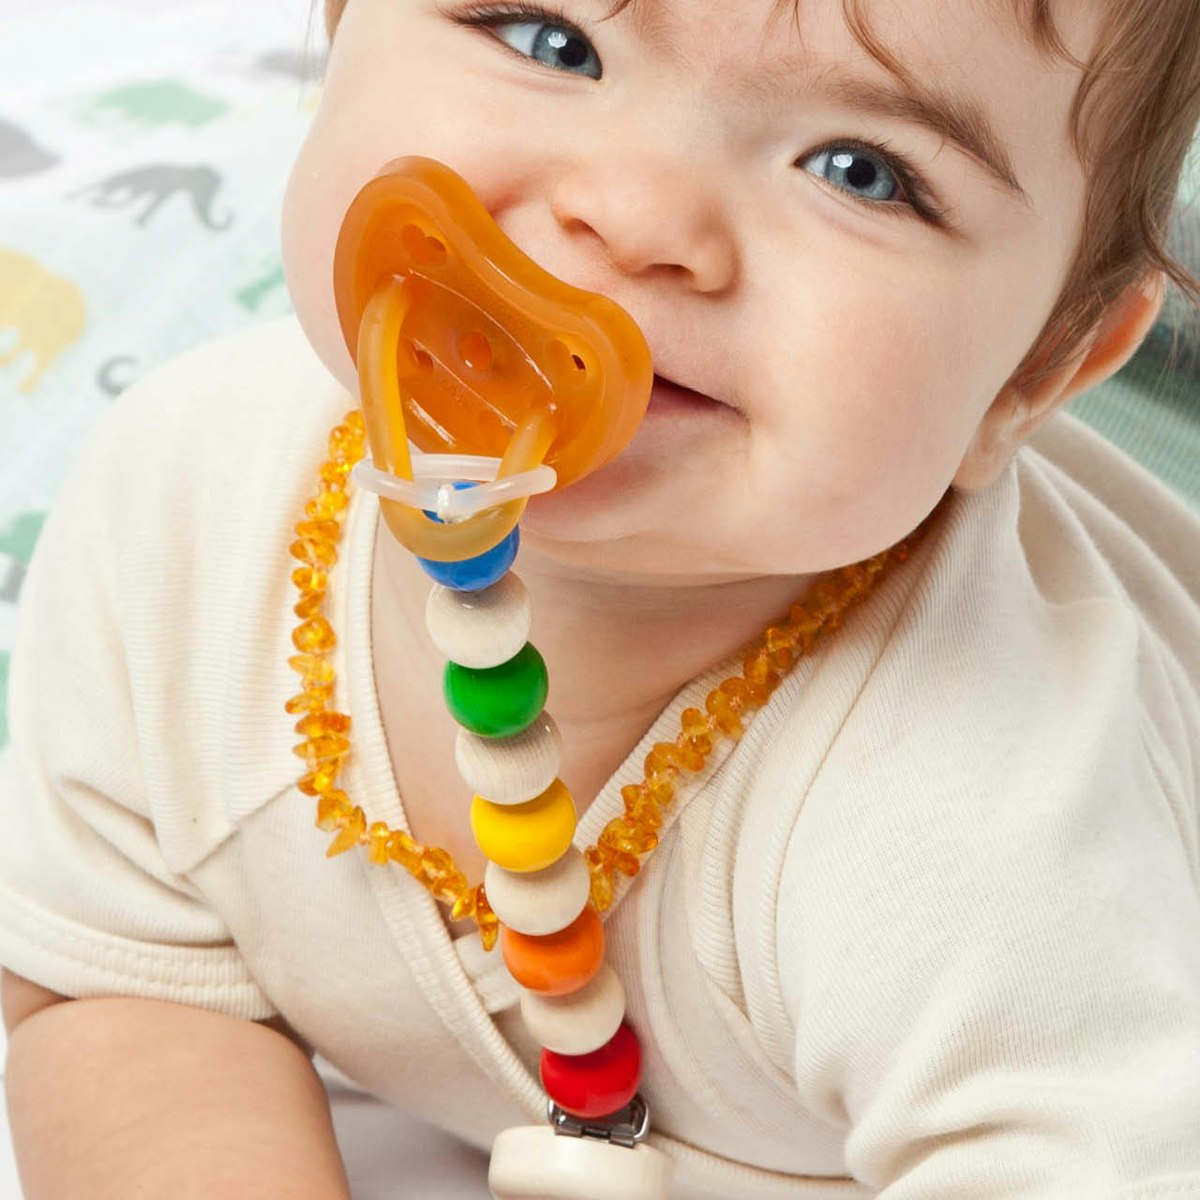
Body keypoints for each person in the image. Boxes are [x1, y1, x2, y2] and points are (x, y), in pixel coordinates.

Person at [2, 0, 1199, 1195]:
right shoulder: (186, 516)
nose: (634, 219)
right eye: (549, 42)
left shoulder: (985, 810)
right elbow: (119, 979)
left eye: (862, 171)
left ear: (1044, 366)